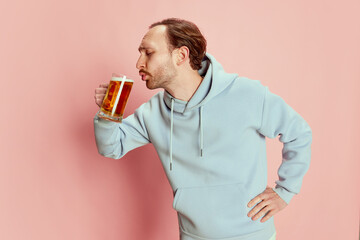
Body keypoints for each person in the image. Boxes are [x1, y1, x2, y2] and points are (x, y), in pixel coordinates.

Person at [93, 18, 312, 240]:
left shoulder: (246, 94)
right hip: (193, 236)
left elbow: (299, 133)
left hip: (251, 235)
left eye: (148, 53)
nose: (139, 63)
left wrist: (285, 191)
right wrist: (109, 112)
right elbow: (112, 147)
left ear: (181, 55)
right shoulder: (152, 113)